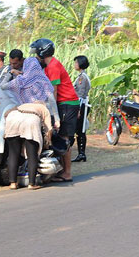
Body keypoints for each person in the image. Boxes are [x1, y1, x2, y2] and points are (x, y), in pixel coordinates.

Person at [1, 57, 60, 190]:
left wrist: (11, 73)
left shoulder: (20, 80)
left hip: (14, 116)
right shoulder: (43, 81)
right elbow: (51, 101)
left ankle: (12, 183)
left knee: (13, 152)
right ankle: (32, 183)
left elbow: (3, 85)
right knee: (32, 152)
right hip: (31, 118)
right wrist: (56, 119)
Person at [30, 38, 79, 183]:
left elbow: (53, 93)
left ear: (42, 52)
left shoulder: (52, 67)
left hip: (66, 103)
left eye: (37, 52)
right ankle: (63, 171)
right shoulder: (50, 65)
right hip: (66, 103)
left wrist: (53, 114)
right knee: (60, 137)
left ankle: (67, 172)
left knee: (64, 138)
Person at [71, 55, 91, 163]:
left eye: (76, 62)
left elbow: (81, 94)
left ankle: (82, 153)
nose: (75, 64)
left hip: (82, 104)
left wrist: (78, 109)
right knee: (79, 130)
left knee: (80, 130)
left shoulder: (82, 78)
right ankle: (81, 153)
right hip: (81, 104)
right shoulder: (81, 76)